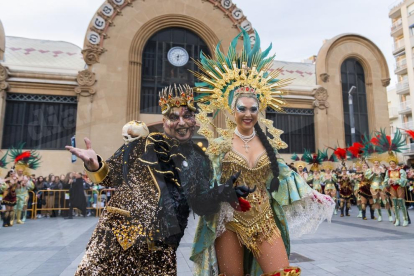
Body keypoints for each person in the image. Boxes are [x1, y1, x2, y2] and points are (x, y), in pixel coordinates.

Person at [190, 30, 334, 276]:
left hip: (264, 219)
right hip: (229, 221)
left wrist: (313, 194)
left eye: (253, 108)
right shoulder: (219, 146)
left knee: (281, 272)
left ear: (260, 109)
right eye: (242, 108)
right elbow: (207, 183)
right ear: (231, 109)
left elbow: (286, 176)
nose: (248, 113)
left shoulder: (268, 145)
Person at [66, 85, 249, 275]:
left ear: (194, 121)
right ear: (164, 121)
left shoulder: (199, 160)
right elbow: (111, 176)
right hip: (117, 238)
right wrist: (94, 164)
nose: (181, 122)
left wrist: (223, 192)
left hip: (161, 249)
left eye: (187, 116)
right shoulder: (142, 144)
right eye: (173, 117)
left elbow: (200, 204)